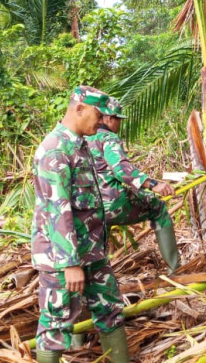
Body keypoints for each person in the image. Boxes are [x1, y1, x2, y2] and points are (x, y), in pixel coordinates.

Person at [31, 86, 129, 363]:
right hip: (61, 258)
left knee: (110, 309)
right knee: (56, 323)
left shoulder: (80, 144)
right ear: (79, 109)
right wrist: (70, 263)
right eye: (98, 115)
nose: (102, 122)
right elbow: (57, 210)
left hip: (91, 251)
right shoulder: (55, 150)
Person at [86, 96, 181, 272]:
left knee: (100, 229)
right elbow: (121, 169)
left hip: (88, 205)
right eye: (118, 120)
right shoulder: (108, 137)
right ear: (109, 118)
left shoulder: (81, 138)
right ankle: (174, 269)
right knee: (158, 208)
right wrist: (152, 184)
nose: (119, 125)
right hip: (111, 202)